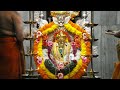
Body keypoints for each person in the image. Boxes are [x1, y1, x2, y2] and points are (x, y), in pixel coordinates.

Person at [0, 11, 25, 79]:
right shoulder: (14, 13)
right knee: (11, 74)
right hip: (10, 48)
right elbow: (20, 36)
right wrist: (27, 34)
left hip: (1, 45)